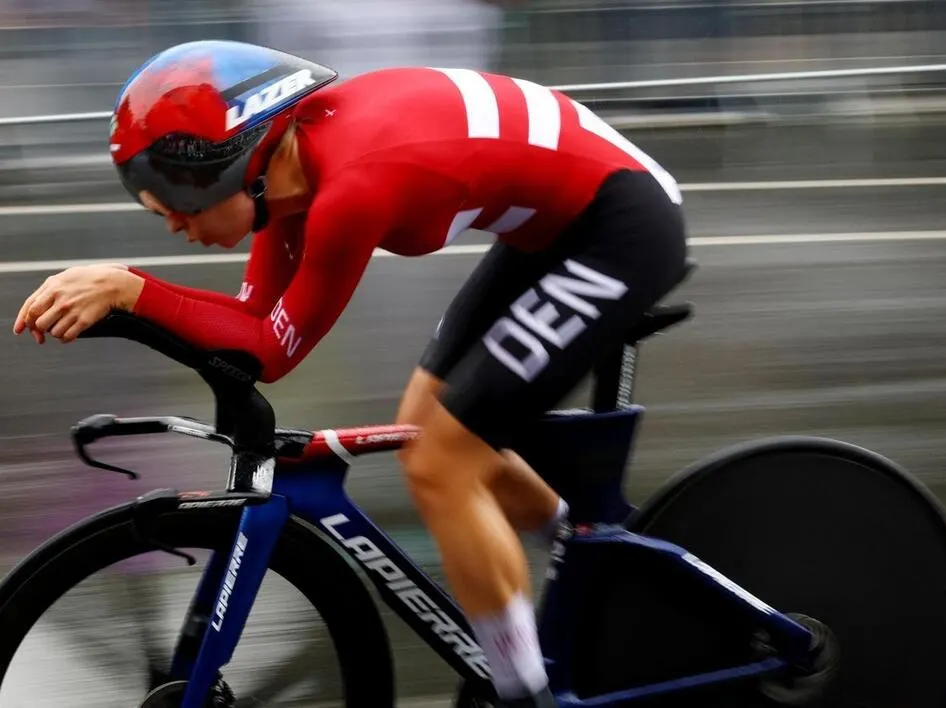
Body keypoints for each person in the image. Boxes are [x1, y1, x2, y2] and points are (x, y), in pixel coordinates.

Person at [12, 40, 688, 707]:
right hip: (554, 226)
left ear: (231, 166)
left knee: (440, 463)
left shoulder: (350, 188)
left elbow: (270, 353)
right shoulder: (287, 175)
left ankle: (526, 696)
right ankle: (587, 551)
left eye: (172, 194)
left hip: (621, 226)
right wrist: (132, 299)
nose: (169, 220)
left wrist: (132, 291)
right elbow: (254, 318)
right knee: (425, 430)